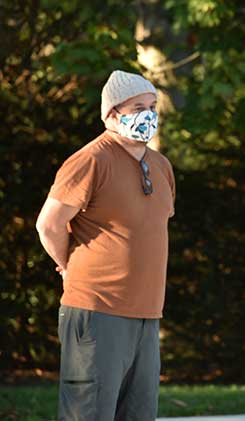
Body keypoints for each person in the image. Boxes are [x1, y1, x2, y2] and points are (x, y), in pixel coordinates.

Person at [36, 70, 175, 421]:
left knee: (139, 415)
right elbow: (49, 223)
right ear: (112, 115)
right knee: (90, 414)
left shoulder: (160, 165)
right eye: (138, 107)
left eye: (153, 106)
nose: (149, 114)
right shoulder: (90, 160)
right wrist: (67, 264)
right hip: (97, 310)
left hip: (147, 313)